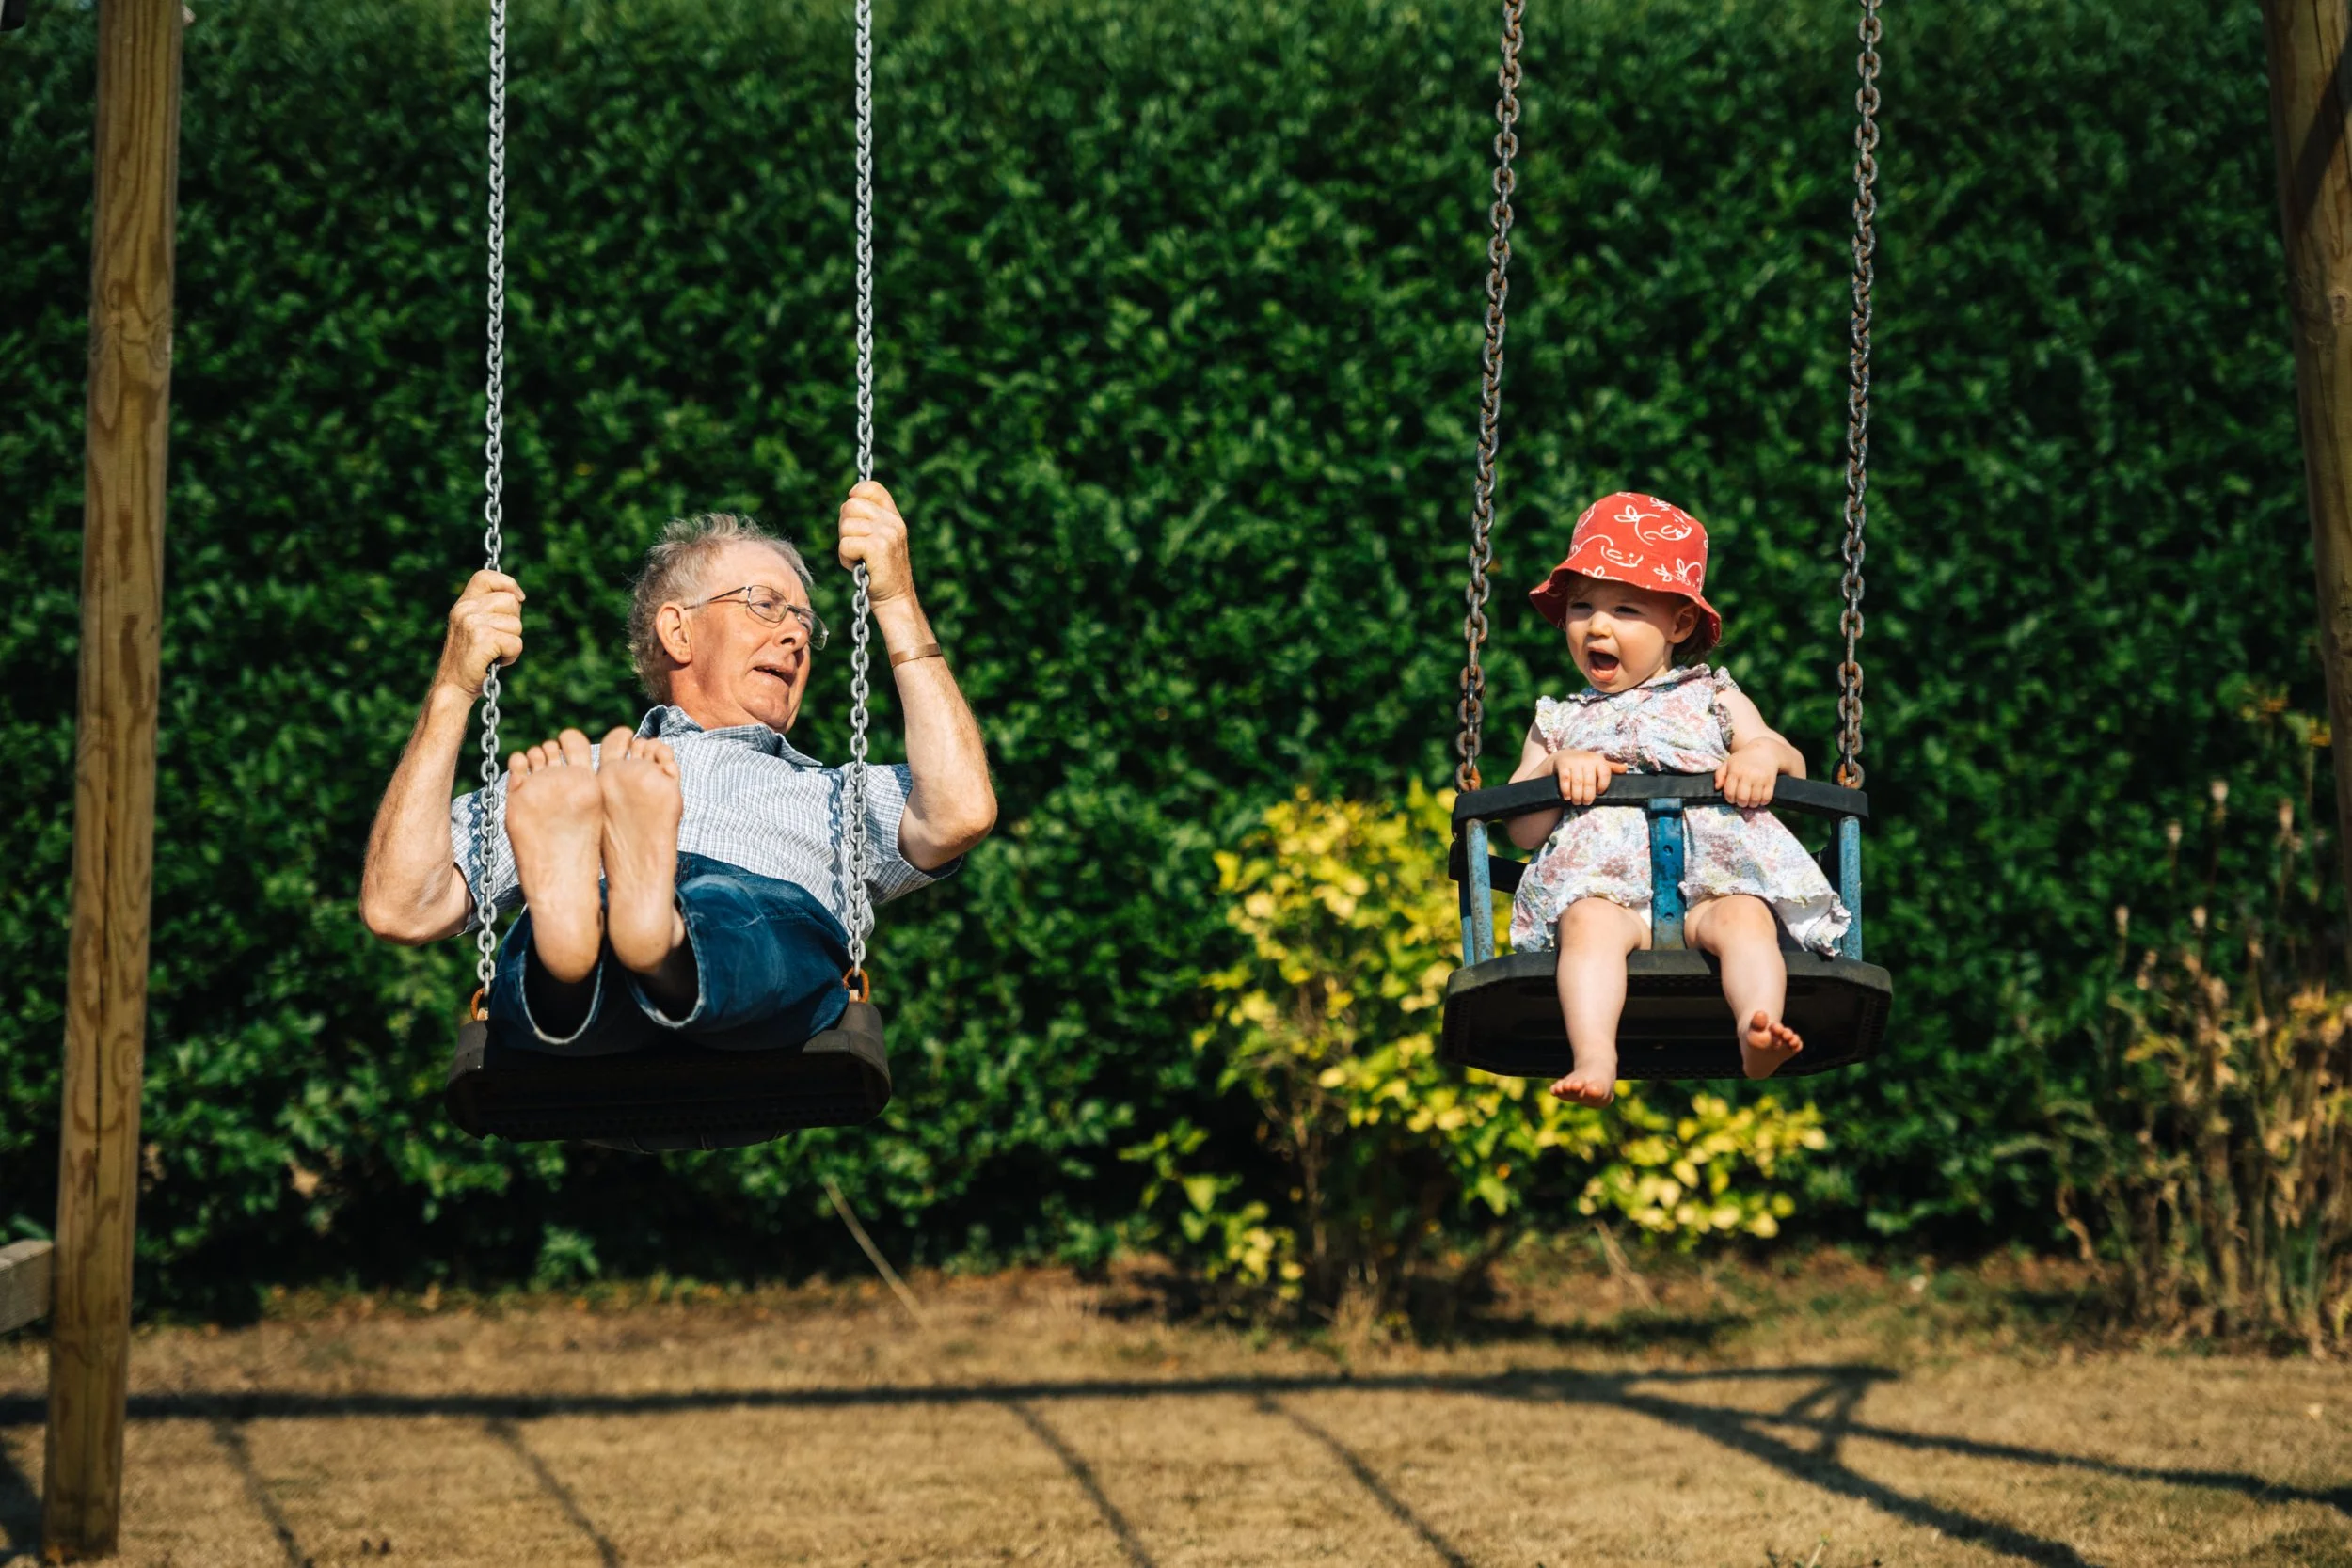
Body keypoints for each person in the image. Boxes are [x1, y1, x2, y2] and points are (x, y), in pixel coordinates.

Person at [358, 481, 995, 1053]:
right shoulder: (570, 784)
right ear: (678, 632)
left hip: (755, 948)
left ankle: (629, 931)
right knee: (586, 914)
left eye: (806, 622)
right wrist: (453, 687)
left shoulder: (835, 794)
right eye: (766, 604)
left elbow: (960, 809)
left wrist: (896, 596)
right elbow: (400, 906)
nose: (797, 636)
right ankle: (590, 928)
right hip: (612, 926)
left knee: (730, 911)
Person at [1503, 492, 1848, 1105]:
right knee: (1584, 926)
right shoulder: (1557, 723)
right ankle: (1594, 1056)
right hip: (1612, 898)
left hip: (1713, 887)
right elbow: (1522, 830)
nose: (1596, 626)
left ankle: (1757, 1029)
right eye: (1581, 605)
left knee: (1749, 919)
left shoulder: (1714, 696)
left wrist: (1761, 759)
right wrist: (1554, 769)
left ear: (1680, 624)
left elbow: (1779, 748)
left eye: (1626, 608)